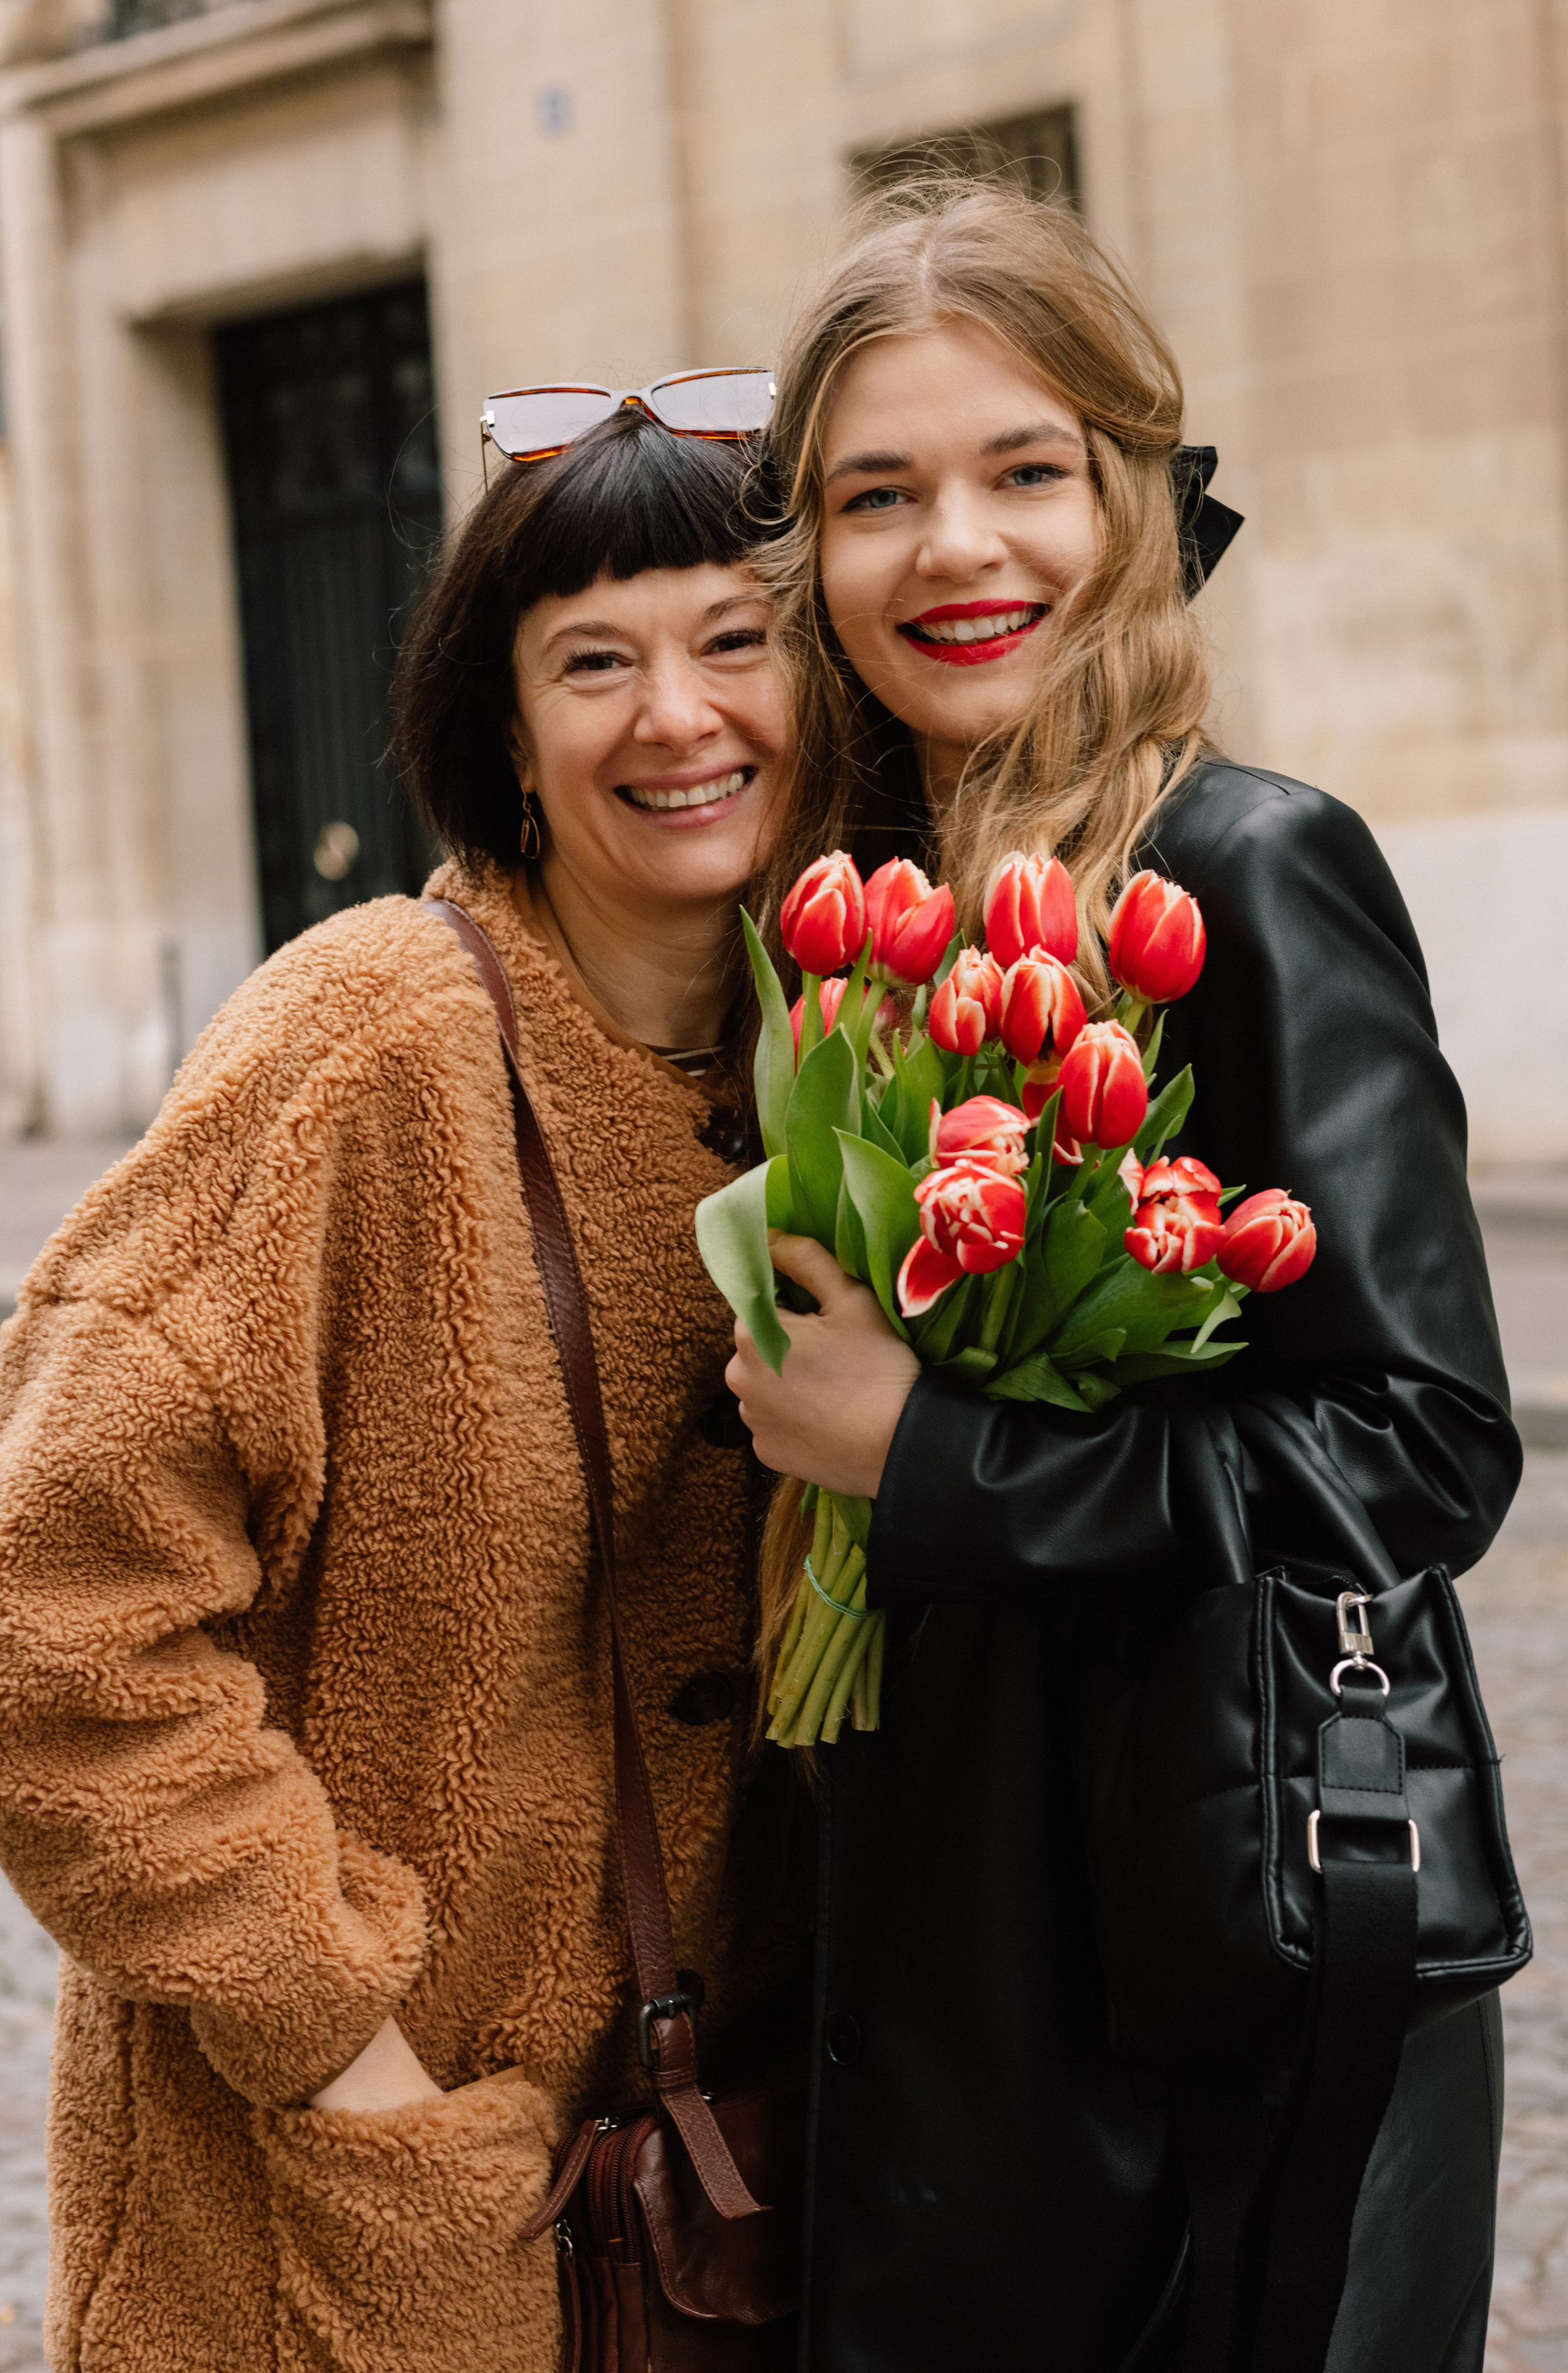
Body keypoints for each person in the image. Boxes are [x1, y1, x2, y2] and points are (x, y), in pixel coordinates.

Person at [727, 182, 1520, 2372]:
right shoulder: (844, 919)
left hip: (1227, 1996)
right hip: (948, 1997)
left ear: (1135, 500)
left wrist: (940, 1462)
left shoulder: (1248, 871)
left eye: (1024, 472)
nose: (954, 551)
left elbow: (1426, 1442)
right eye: (876, 496)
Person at [0, 407, 811, 2373]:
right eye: (595, 660)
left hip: (733, 2185)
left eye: (735, 638)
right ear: (504, 731)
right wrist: (344, 2054)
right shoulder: (368, 1044)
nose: (677, 714)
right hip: (355, 2218)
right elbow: (47, 1609)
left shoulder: (861, 1061)